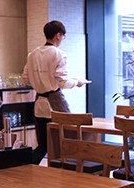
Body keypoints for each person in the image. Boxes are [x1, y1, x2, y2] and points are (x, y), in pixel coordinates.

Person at [22, 20, 89, 165]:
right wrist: (77, 82)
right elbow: (62, 82)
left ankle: (27, 169)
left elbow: (25, 78)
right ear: (58, 35)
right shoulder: (59, 54)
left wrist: (40, 81)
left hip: (39, 102)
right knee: (68, 141)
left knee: (44, 145)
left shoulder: (32, 55)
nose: (62, 40)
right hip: (55, 102)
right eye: (63, 36)